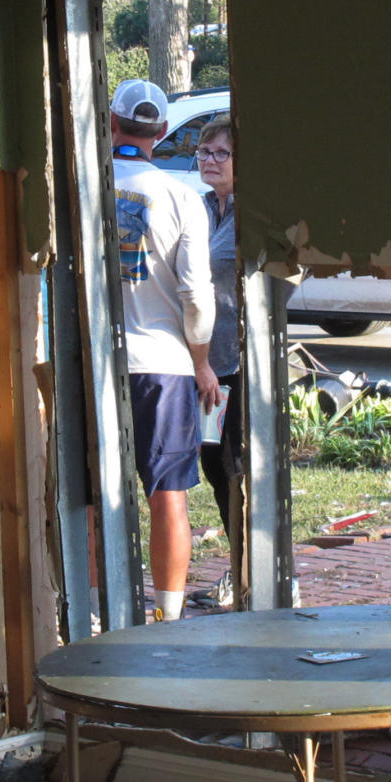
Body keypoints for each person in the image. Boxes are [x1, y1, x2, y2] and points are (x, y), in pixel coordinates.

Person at [109, 78, 218, 623]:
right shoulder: (181, 196)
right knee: (167, 490)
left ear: (112, 124)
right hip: (164, 364)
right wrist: (202, 363)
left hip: (93, 362)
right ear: (161, 131)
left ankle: (93, 610)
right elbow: (196, 293)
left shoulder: (81, 185)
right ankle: (168, 616)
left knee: (89, 494)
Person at [190, 113, 241, 610]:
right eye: (204, 152)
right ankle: (240, 567)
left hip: (238, 361)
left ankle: (253, 572)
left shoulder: (251, 215)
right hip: (204, 359)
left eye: (221, 153)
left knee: (236, 466)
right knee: (212, 462)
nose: (209, 160)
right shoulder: (201, 208)